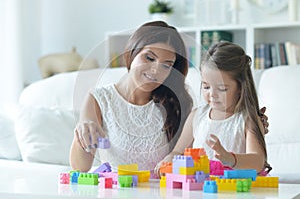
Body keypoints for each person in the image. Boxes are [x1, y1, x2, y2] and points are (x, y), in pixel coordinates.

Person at [69, 21, 194, 172]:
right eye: (149, 58)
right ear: (132, 52)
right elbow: (81, 167)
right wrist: (82, 133)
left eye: (166, 65)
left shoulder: (175, 103)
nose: (156, 70)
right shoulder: (99, 100)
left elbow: (187, 164)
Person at [155, 41, 271, 176]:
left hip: (235, 190)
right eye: (206, 87)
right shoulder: (196, 116)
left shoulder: (247, 119)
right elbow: (178, 151)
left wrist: (230, 159)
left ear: (240, 87)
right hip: (201, 189)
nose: (212, 94)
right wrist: (168, 160)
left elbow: (258, 161)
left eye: (222, 89)